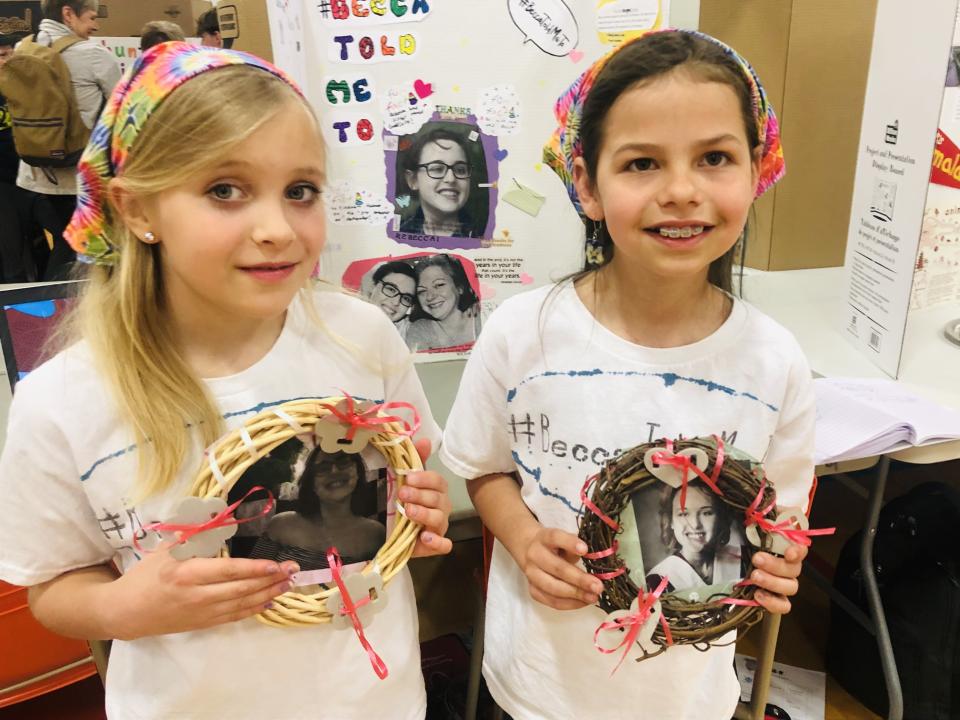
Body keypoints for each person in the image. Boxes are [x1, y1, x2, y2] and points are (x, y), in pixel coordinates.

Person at [0, 43, 452, 720]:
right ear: (136, 210)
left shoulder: (360, 335)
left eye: (301, 191)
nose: (276, 229)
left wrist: (420, 512)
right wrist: (125, 606)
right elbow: (55, 588)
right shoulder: (63, 401)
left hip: (374, 700)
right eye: (224, 191)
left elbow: (407, 479)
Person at [440, 30, 816, 720]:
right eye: (642, 163)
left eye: (715, 158)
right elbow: (485, 469)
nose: (681, 191)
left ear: (756, 170)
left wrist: (780, 558)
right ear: (586, 183)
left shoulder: (775, 360)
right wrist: (524, 541)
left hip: (688, 695)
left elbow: (782, 508)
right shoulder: (523, 334)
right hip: (542, 685)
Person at [15, 0, 121, 280]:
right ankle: (60, 314)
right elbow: (122, 112)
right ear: (68, 13)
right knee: (85, 253)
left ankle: (50, 310)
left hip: (32, 176)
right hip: (78, 178)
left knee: (64, 246)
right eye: (91, 17)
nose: (95, 26)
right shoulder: (94, 55)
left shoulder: (22, 48)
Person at [252, 449, 386, 571]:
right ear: (311, 483)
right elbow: (252, 575)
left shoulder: (376, 534)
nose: (334, 471)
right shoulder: (280, 524)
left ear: (358, 473)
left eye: (343, 462)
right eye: (323, 468)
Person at [644, 480, 742, 594]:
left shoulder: (743, 560)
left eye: (707, 513)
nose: (695, 524)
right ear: (671, 521)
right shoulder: (657, 581)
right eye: (683, 514)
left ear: (720, 518)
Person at [399, 127, 480, 238]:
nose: (451, 179)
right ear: (413, 180)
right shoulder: (401, 233)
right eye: (437, 169)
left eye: (460, 170)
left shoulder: (483, 236)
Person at [405, 253, 481, 352]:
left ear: (459, 287)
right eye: (422, 291)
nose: (430, 296)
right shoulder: (419, 330)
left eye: (439, 285)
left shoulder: (482, 317)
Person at [365, 259, 417, 337]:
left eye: (406, 298)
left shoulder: (410, 332)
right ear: (373, 286)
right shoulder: (346, 317)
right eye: (391, 289)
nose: (396, 302)